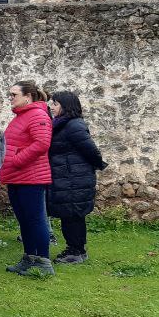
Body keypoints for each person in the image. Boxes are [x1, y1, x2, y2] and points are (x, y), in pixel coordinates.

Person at [1, 81, 55, 277]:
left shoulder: (38, 115)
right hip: (17, 176)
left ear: (28, 97)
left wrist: (16, 160)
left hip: (30, 176)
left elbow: (42, 144)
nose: (11, 98)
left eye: (14, 94)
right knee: (24, 220)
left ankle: (44, 261)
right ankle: (29, 257)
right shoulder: (22, 116)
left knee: (36, 219)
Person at [46, 90, 107, 264]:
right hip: (66, 179)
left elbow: (92, 151)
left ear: (66, 107)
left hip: (74, 179)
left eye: (56, 104)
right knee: (68, 215)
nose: (52, 107)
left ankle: (77, 251)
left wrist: (94, 166)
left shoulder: (73, 125)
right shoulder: (61, 124)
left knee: (73, 216)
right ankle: (73, 248)